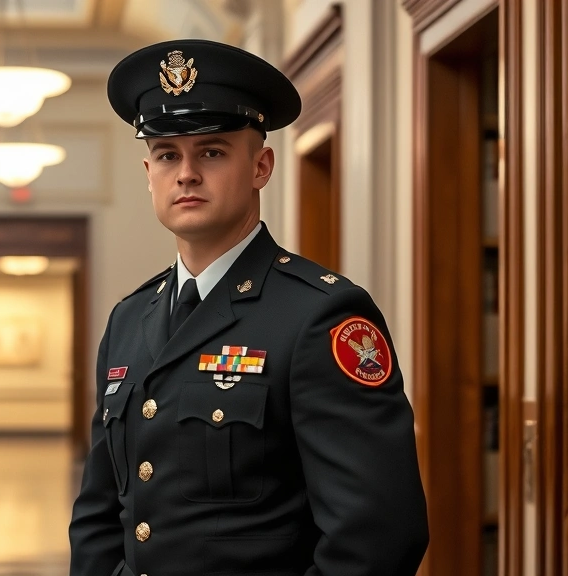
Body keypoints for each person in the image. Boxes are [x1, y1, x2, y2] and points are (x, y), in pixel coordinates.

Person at [68, 39, 429, 576]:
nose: (185, 173)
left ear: (261, 166)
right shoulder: (130, 317)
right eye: (168, 154)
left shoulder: (319, 315)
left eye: (211, 151)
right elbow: (99, 514)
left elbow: (377, 536)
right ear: (148, 173)